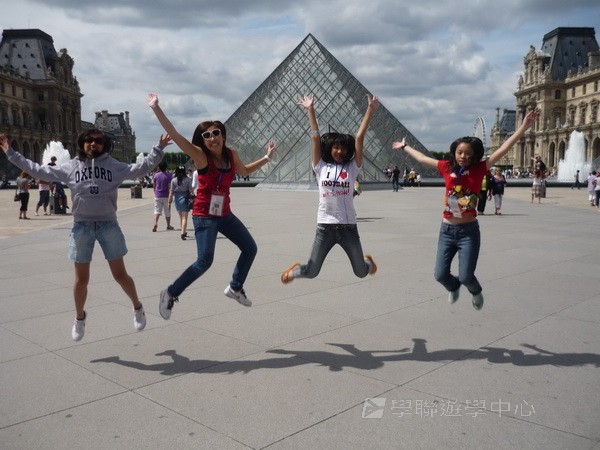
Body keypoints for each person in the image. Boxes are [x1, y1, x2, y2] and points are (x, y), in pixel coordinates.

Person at [0, 130, 168, 340]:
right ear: (82, 143)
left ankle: (137, 306)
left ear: (104, 145)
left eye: (98, 141)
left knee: (120, 275)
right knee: (81, 280)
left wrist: (158, 149)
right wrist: (11, 153)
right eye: (88, 140)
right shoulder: (71, 166)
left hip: (108, 224)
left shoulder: (113, 166)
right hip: (82, 225)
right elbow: (38, 170)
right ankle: (80, 317)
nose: (93, 143)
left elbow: (140, 168)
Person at [392, 109, 539, 311]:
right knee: (440, 275)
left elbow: (504, 148)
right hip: (446, 230)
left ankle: (475, 291)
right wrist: (404, 146)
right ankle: (453, 287)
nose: (463, 156)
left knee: (466, 276)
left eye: (468, 153)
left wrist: (523, 127)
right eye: (460, 152)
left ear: (475, 155)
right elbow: (422, 159)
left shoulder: (480, 168)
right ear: (454, 152)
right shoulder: (446, 167)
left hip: (468, 231)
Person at [147, 93, 275, 318]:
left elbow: (244, 171)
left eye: (216, 133)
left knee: (250, 248)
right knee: (204, 261)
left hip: (224, 213)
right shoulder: (200, 156)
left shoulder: (231, 154)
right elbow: (175, 134)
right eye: (206, 135)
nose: (212, 137)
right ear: (202, 141)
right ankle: (170, 293)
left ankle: (235, 287)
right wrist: (156, 108)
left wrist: (266, 157)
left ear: (223, 135)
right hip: (204, 216)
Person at [280, 94, 378, 284]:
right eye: (336, 147)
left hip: (348, 228)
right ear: (330, 148)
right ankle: (295, 271)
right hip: (325, 227)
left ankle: (367, 263)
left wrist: (370, 110)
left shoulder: (352, 167)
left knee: (360, 272)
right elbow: (315, 138)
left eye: (344, 148)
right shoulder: (320, 166)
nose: (340, 151)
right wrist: (310, 109)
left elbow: (359, 137)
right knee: (312, 271)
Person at [169, 165, 193, 240]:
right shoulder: (188, 179)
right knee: (184, 217)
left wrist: (169, 201)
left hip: (177, 199)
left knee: (181, 217)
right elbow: (191, 191)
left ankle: (183, 231)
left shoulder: (173, 180)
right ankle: (183, 233)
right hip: (185, 199)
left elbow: (171, 191)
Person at [152, 161, 173, 232]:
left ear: (159, 167)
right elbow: (169, 187)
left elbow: (154, 185)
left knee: (157, 210)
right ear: (166, 167)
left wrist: (155, 192)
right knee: (167, 211)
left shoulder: (156, 175)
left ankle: (155, 223)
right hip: (166, 196)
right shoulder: (168, 176)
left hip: (157, 195)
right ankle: (168, 225)